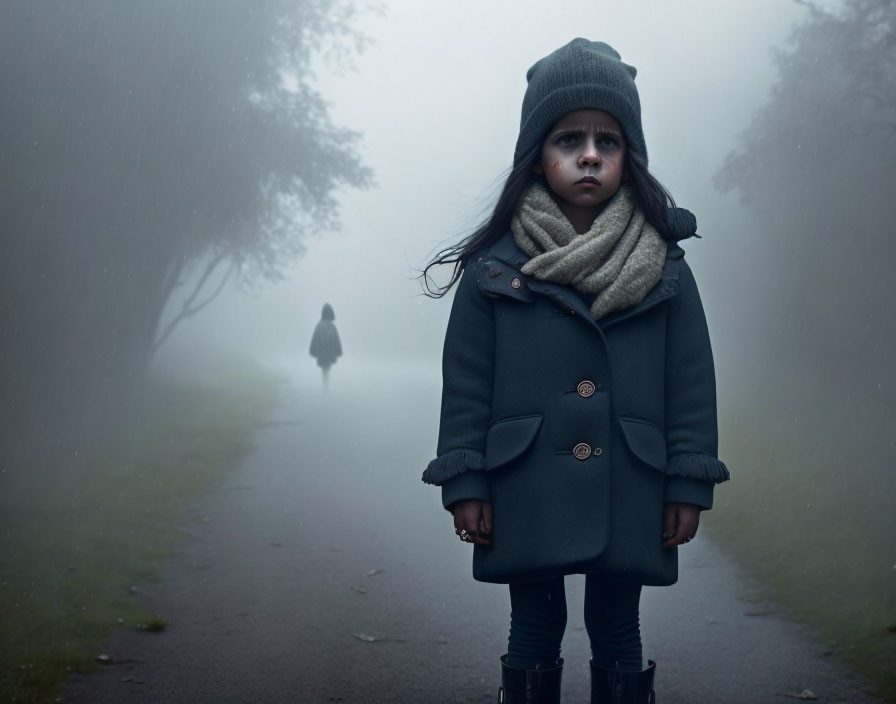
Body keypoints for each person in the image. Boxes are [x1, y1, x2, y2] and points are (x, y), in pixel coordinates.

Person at [420, 39, 729, 704]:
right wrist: (466, 479)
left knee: (617, 622)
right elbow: (466, 385)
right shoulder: (493, 270)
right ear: (537, 155)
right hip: (522, 477)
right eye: (568, 139)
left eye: (607, 141)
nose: (589, 154)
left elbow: (691, 385)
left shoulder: (664, 267)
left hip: (632, 476)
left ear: (629, 157)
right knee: (536, 620)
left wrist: (688, 484)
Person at [309, 303, 342, 388]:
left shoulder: (319, 326)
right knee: (326, 370)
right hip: (329, 354)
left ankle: (325, 388)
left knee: (325, 370)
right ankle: (326, 388)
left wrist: (314, 351)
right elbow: (336, 341)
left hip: (322, 354)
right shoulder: (332, 326)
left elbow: (315, 340)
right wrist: (338, 352)